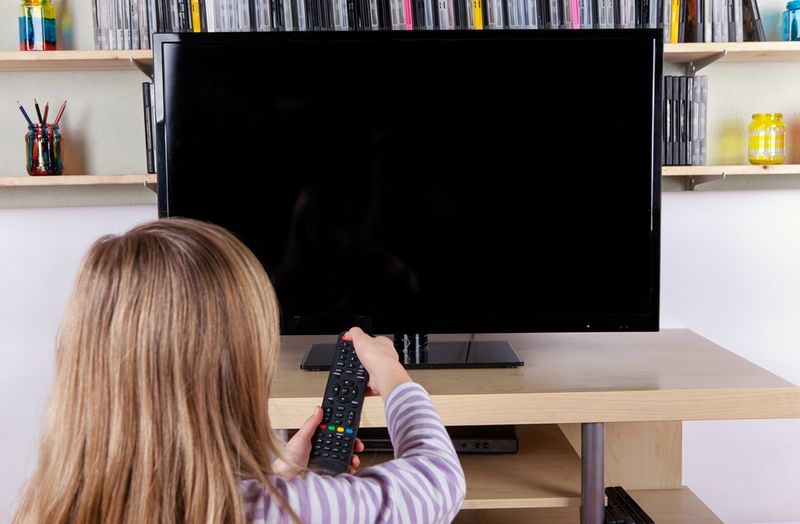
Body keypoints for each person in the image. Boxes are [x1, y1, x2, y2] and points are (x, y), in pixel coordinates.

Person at [13, 218, 465, 523]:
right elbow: (440, 479)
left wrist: (280, 479)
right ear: (237, 374)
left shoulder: (44, 506)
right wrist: (392, 375)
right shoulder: (292, 511)